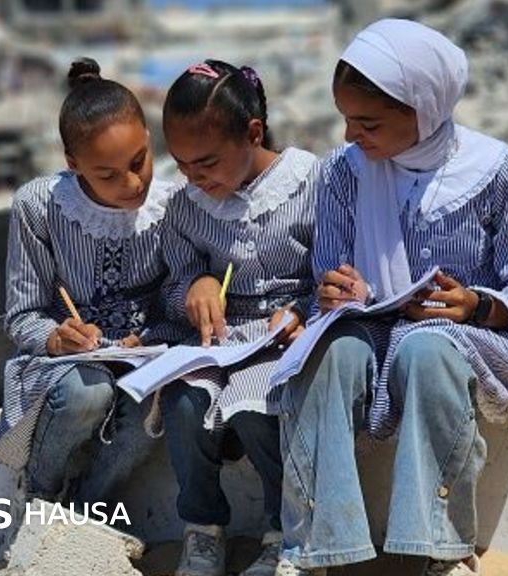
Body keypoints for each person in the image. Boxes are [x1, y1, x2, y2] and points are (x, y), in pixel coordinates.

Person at [275, 20, 508, 576]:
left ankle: (438, 549)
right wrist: (335, 292)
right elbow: (325, 280)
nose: (352, 135)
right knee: (330, 357)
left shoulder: (494, 169)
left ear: (425, 110)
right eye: (346, 119)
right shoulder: (343, 173)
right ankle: (318, 549)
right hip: (370, 328)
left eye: (369, 123)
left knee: (426, 352)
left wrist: (477, 304)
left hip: (461, 335)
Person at [0, 58, 183, 505]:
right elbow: (22, 315)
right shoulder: (39, 206)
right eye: (107, 175)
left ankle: (89, 507)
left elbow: (176, 301)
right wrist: (58, 338)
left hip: (145, 356)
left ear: (148, 137)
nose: (132, 183)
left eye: (139, 162)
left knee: (153, 401)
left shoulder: (174, 205)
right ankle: (41, 493)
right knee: (86, 393)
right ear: (73, 164)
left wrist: (152, 336)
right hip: (65, 366)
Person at [160, 60, 318, 576]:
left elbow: (335, 271)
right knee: (184, 402)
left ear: (253, 133)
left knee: (257, 408)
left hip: (286, 336)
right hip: (219, 340)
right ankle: (202, 528)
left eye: (206, 162)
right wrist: (195, 287)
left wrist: (303, 311)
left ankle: (283, 530)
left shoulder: (311, 182)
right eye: (182, 165)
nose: (194, 177)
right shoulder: (186, 207)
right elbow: (172, 285)